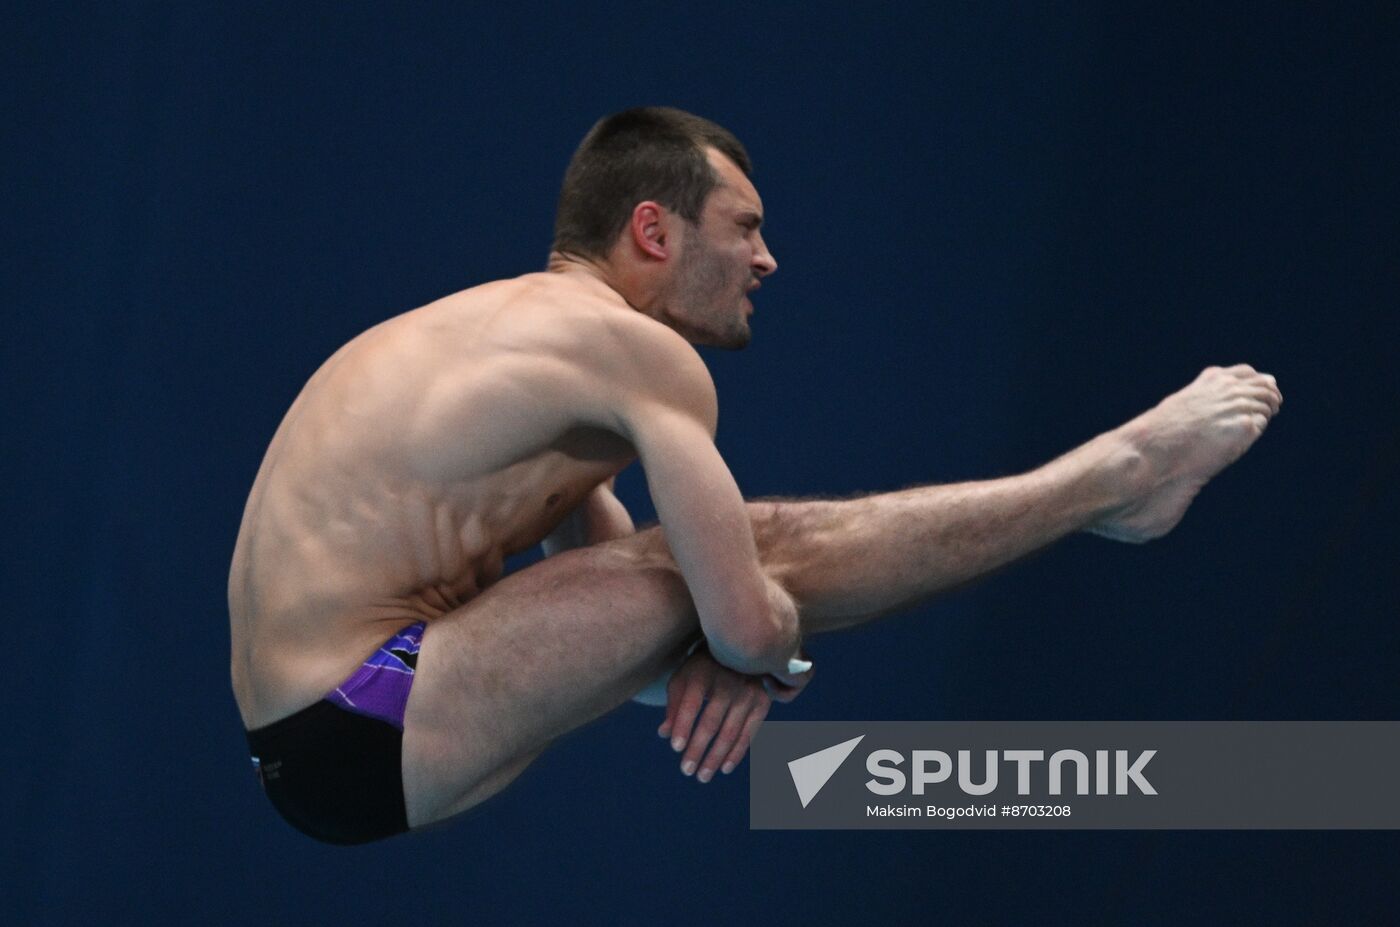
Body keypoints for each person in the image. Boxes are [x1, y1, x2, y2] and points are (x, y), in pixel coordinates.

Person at [229, 106, 1282, 845]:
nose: (766, 259)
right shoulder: (631, 352)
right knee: (765, 544)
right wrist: (761, 660)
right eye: (743, 228)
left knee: (707, 569)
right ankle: (1112, 479)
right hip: (363, 710)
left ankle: (1110, 485)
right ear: (652, 228)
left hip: (331, 741)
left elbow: (643, 643)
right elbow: (739, 613)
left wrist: (734, 649)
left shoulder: (520, 361)